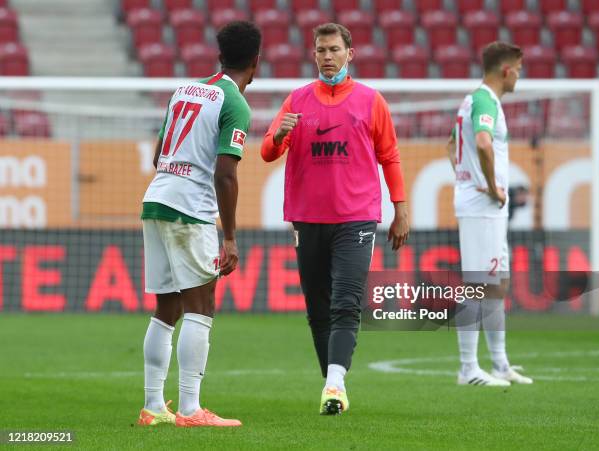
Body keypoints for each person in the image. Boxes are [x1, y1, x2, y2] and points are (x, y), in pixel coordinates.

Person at [261, 23, 409, 415]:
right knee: (318, 308)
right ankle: (335, 386)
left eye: (334, 50)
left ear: (350, 54)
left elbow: (389, 156)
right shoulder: (295, 101)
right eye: (321, 50)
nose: (327, 57)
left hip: (356, 219)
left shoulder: (371, 101)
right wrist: (279, 136)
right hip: (307, 219)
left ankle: (334, 383)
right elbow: (265, 152)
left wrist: (401, 208)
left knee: (347, 302)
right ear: (314, 55)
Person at [137, 21, 261, 427]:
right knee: (201, 306)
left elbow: (159, 154)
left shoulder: (184, 90)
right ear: (256, 61)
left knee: (166, 307)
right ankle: (190, 409)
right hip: (190, 209)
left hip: (156, 200)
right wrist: (230, 237)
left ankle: (154, 406)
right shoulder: (236, 104)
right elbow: (225, 174)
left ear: (220, 54)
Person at [447, 41, 533, 387]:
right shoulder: (483, 99)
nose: (520, 76)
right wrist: (488, 185)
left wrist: (464, 177)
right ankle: (468, 369)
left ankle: (499, 363)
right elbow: (481, 143)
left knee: (497, 284)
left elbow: (451, 146)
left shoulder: (476, 100)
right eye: (519, 69)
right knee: (477, 286)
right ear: (506, 70)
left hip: (486, 208)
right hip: (483, 208)